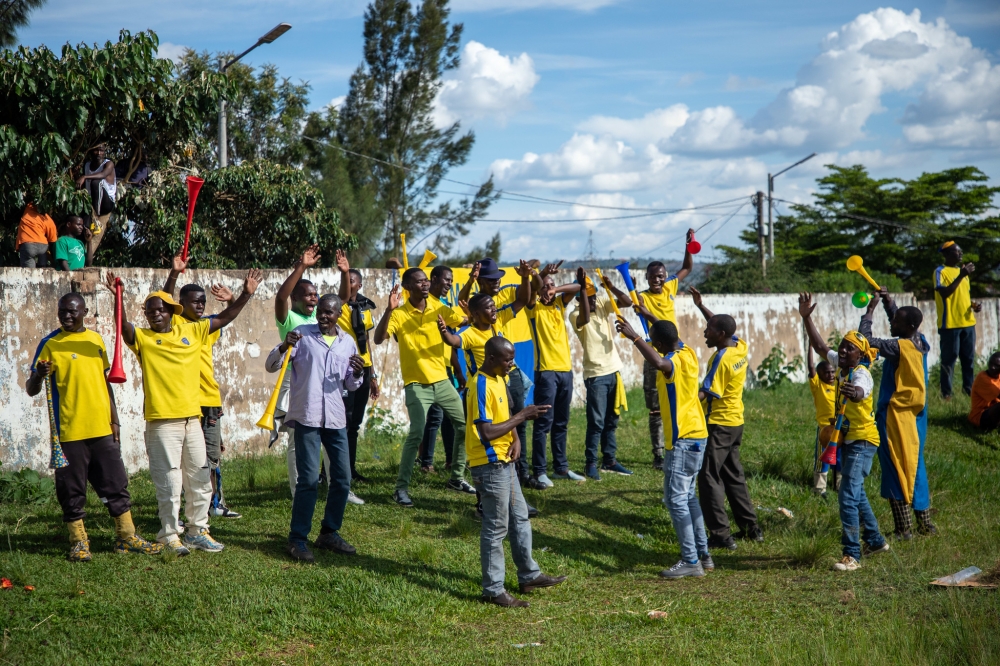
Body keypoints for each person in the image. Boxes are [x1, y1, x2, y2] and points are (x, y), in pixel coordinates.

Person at [105, 268, 261, 555]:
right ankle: (168, 534)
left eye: (162, 310)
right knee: (170, 481)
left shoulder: (193, 329)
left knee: (201, 478)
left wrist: (246, 295)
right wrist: (119, 296)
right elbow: (123, 325)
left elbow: (226, 317)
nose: (156, 315)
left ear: (171, 312)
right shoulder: (143, 339)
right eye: (151, 311)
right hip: (163, 423)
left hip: (193, 420)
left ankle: (197, 530)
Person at [26, 293, 162, 561]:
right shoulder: (49, 344)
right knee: (71, 489)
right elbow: (31, 389)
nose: (67, 315)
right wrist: (39, 376)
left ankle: (126, 537)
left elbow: (105, 383)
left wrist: (115, 421)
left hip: (101, 430)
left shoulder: (95, 341)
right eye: (62, 311)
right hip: (68, 433)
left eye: (72, 311)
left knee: (116, 484)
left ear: (85, 312)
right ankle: (78, 541)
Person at [266, 294, 366, 563]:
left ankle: (329, 532)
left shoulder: (347, 343)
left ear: (338, 314)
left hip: (335, 419)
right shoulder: (301, 335)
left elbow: (351, 385)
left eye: (329, 313)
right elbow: (271, 366)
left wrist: (357, 373)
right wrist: (283, 346)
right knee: (308, 480)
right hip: (307, 417)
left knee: (342, 478)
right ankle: (297, 539)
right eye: (320, 311)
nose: (323, 316)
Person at [468, 336, 566, 607]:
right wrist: (523, 417)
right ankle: (493, 589)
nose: (512, 363)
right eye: (507, 359)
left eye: (512, 358)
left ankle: (529, 575)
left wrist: (517, 438)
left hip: (506, 460)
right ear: (491, 358)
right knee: (496, 527)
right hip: (490, 465)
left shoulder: (501, 376)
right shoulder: (480, 384)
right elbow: (486, 431)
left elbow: (506, 412)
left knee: (520, 518)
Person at [615, 316, 712, 579]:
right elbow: (666, 335)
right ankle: (704, 555)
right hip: (697, 435)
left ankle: (691, 560)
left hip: (682, 440)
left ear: (657, 343)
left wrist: (635, 337)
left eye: (652, 341)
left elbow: (658, 362)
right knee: (689, 497)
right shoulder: (687, 351)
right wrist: (648, 316)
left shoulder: (671, 362)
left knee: (676, 500)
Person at [799, 293, 890, 572]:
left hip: (863, 440)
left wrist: (855, 392)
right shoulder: (841, 363)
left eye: (849, 349)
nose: (842, 351)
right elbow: (818, 345)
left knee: (847, 495)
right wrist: (806, 317)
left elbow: (862, 390)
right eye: (842, 347)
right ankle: (875, 540)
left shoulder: (862, 373)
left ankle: (852, 555)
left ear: (860, 354)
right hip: (847, 438)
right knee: (856, 492)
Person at [373, 267, 471, 507]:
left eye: (427, 280)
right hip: (416, 384)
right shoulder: (399, 314)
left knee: (463, 425)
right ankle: (401, 488)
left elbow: (465, 319)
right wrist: (388, 310)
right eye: (419, 282)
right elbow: (378, 338)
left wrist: (471, 314)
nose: (426, 284)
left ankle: (457, 478)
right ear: (407, 288)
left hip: (442, 380)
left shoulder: (439, 308)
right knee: (417, 432)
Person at [163, 253, 242, 519]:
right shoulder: (175, 323)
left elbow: (228, 315)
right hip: (185, 401)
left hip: (209, 400)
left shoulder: (206, 326)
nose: (200, 306)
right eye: (194, 302)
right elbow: (164, 301)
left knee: (211, 457)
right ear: (181, 304)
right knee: (187, 459)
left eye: (203, 302)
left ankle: (215, 503)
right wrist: (174, 274)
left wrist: (232, 298)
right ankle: (190, 506)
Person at [688, 287, 762, 549]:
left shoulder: (721, 359)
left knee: (708, 476)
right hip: (736, 423)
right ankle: (751, 528)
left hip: (719, 425)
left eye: (708, 330)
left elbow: (706, 393)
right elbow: (722, 324)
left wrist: (679, 407)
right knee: (733, 475)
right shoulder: (739, 346)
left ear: (720, 335)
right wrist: (701, 306)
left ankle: (720, 535)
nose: (704, 333)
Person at [861, 291, 936, 539]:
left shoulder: (897, 347)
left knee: (895, 467)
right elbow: (901, 321)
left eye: (896, 322)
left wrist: (869, 313)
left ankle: (903, 529)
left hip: (895, 416)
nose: (892, 323)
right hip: (916, 416)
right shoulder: (920, 341)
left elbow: (866, 341)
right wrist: (889, 302)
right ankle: (926, 524)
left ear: (908, 326)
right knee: (916, 466)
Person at [458, 257, 531, 483]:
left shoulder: (497, 315)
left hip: (508, 380)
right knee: (488, 430)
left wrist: (526, 277)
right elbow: (463, 302)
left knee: (516, 425)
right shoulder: (475, 317)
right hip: (485, 385)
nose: (497, 282)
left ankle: (520, 473)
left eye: (498, 278)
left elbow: (524, 300)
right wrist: (471, 280)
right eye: (491, 279)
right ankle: (486, 481)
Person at [635, 230, 696, 470]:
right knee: (655, 408)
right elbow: (645, 317)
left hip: (675, 355)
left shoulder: (671, 286)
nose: (657, 280)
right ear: (647, 278)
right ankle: (658, 453)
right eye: (652, 277)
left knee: (679, 399)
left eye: (660, 276)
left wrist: (688, 245)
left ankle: (675, 442)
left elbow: (687, 267)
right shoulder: (640, 297)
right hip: (654, 355)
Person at [573, 268, 634, 481]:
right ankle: (590, 462)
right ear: (579, 297)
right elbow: (585, 319)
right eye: (588, 296)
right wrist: (582, 290)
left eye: (594, 295)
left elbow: (626, 302)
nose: (593, 299)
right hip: (596, 375)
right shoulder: (576, 314)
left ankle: (610, 460)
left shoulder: (600, 304)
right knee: (596, 422)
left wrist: (611, 287)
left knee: (611, 420)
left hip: (613, 371)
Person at [526, 261, 582, 487]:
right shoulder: (534, 308)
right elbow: (531, 288)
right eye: (544, 288)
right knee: (543, 423)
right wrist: (540, 277)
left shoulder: (559, 304)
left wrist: (555, 288)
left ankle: (561, 468)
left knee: (562, 421)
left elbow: (578, 287)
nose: (548, 290)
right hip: (546, 373)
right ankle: (539, 470)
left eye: (551, 286)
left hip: (565, 372)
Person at [274, 245, 321, 495]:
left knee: (318, 439)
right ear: (296, 298)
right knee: (296, 440)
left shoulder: (318, 319)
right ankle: (297, 492)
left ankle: (318, 485)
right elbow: (280, 298)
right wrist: (301, 267)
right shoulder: (289, 318)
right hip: (295, 384)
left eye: (315, 294)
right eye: (307, 294)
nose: (313, 298)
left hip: (317, 385)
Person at [335, 250, 380, 502]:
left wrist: (372, 374)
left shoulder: (364, 306)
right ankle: (330, 472)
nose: (349, 283)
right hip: (344, 370)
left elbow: (367, 342)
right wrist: (344, 275)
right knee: (341, 421)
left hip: (362, 368)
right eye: (345, 279)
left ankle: (350, 469)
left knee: (354, 424)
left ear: (360, 284)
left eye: (353, 280)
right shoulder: (338, 305)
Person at [417, 265, 464, 474]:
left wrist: (458, 371)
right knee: (434, 417)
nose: (449, 285)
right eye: (446, 280)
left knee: (450, 417)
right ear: (433, 279)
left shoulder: (444, 306)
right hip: (428, 368)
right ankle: (425, 463)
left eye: (452, 281)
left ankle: (450, 461)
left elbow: (451, 342)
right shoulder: (425, 305)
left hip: (445, 368)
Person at [934, 241, 981, 398]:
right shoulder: (940, 271)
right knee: (949, 360)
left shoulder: (963, 274)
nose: (961, 254)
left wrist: (973, 305)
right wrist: (962, 275)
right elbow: (945, 293)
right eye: (957, 252)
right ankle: (946, 394)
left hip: (968, 323)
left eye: (961, 251)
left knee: (968, 359)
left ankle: (969, 390)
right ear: (947, 254)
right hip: (950, 324)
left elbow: (962, 296)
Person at [75, 143, 117, 266]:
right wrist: (78, 176)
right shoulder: (87, 165)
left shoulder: (108, 164)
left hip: (106, 203)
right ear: (91, 151)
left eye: (101, 151)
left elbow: (103, 175)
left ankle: (96, 218)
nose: (99, 153)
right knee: (83, 227)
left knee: (96, 182)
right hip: (91, 203)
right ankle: (82, 258)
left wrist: (85, 176)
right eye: (96, 151)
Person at [807, 346, 837, 497]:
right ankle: (820, 489)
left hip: (839, 428)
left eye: (833, 372)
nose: (831, 375)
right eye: (827, 372)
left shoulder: (838, 385)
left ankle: (838, 485)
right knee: (823, 458)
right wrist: (811, 346)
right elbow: (811, 366)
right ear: (819, 375)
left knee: (839, 458)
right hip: (825, 429)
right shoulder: (818, 386)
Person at [16, 202, 58, 268]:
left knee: (29, 270)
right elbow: (53, 241)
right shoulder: (48, 219)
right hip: (43, 246)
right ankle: (42, 266)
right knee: (42, 269)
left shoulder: (28, 211)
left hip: (28, 244)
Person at [969, 352, 1000, 433]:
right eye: (991, 363)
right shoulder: (983, 378)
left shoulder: (998, 377)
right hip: (980, 416)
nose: (992, 367)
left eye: (996, 365)